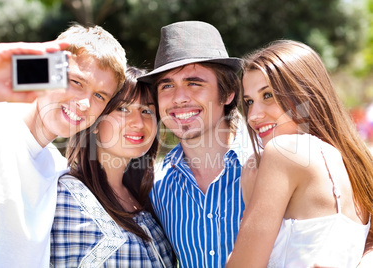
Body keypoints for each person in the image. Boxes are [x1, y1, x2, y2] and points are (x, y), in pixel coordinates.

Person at [0, 24, 127, 267]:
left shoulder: (57, 169)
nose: (85, 103)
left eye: (99, 96)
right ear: (48, 70)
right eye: (76, 82)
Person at [225, 40, 373, 267]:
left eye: (268, 96)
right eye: (249, 102)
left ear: (305, 93)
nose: (253, 115)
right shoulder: (358, 162)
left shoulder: (283, 153)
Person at [138, 21, 252, 268]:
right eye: (167, 85)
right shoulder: (157, 186)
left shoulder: (267, 163)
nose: (179, 98)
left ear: (228, 92)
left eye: (194, 83)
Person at [50, 66, 176, 267]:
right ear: (97, 121)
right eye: (123, 109)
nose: (138, 122)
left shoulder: (150, 198)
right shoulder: (65, 197)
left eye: (147, 111)